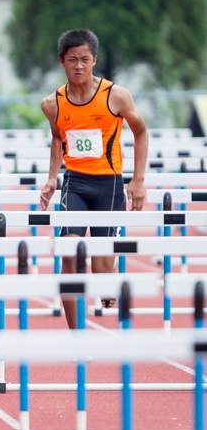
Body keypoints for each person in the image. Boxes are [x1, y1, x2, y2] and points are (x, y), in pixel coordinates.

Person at [39, 29, 148, 329]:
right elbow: (58, 139)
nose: (78, 66)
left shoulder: (116, 96)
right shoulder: (52, 104)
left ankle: (106, 275)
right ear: (62, 62)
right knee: (70, 254)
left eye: (85, 60)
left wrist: (137, 180)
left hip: (109, 186)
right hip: (75, 183)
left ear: (94, 60)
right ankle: (77, 333)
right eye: (72, 60)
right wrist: (51, 178)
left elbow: (141, 132)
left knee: (100, 267)